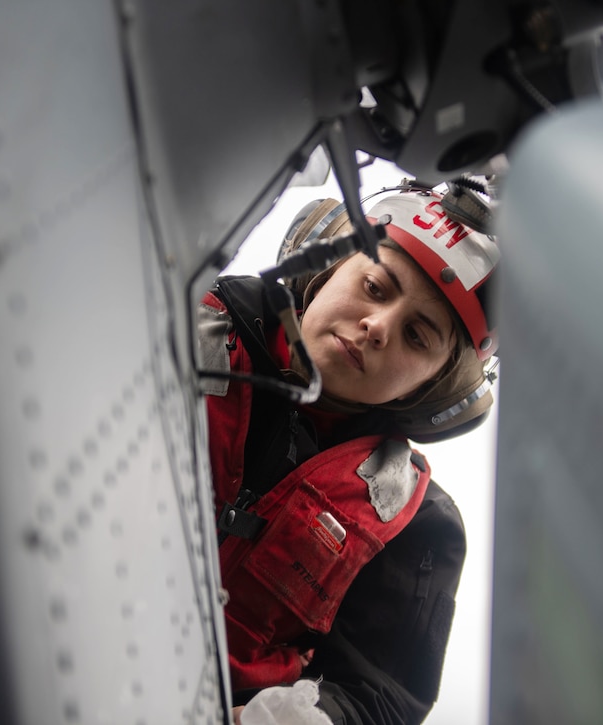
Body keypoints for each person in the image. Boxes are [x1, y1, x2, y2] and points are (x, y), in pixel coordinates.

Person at [198, 181, 499, 724]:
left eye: (417, 336)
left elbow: (377, 694)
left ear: (429, 387)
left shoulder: (417, 525)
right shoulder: (179, 325)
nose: (378, 327)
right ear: (327, 269)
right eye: (375, 286)